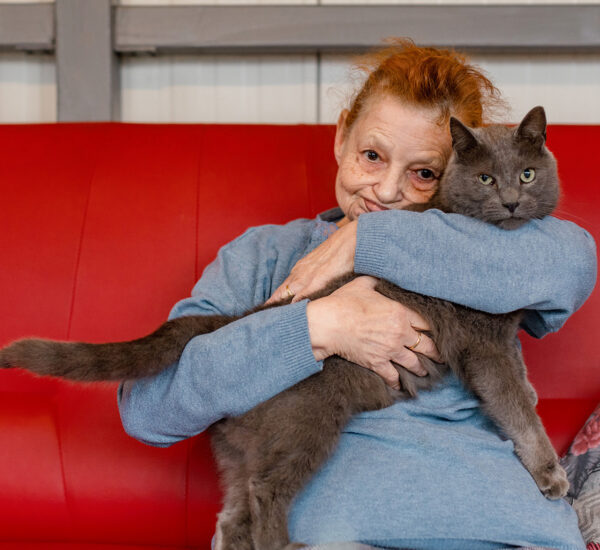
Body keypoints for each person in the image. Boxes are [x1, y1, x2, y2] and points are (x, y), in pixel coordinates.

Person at [118, 40, 597, 549]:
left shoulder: (479, 246)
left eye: (423, 173)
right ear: (343, 135)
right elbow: (149, 408)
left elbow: (574, 261)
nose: (387, 192)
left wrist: (366, 242)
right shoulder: (266, 255)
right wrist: (315, 328)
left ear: (456, 172)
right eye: (372, 156)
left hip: (498, 529)